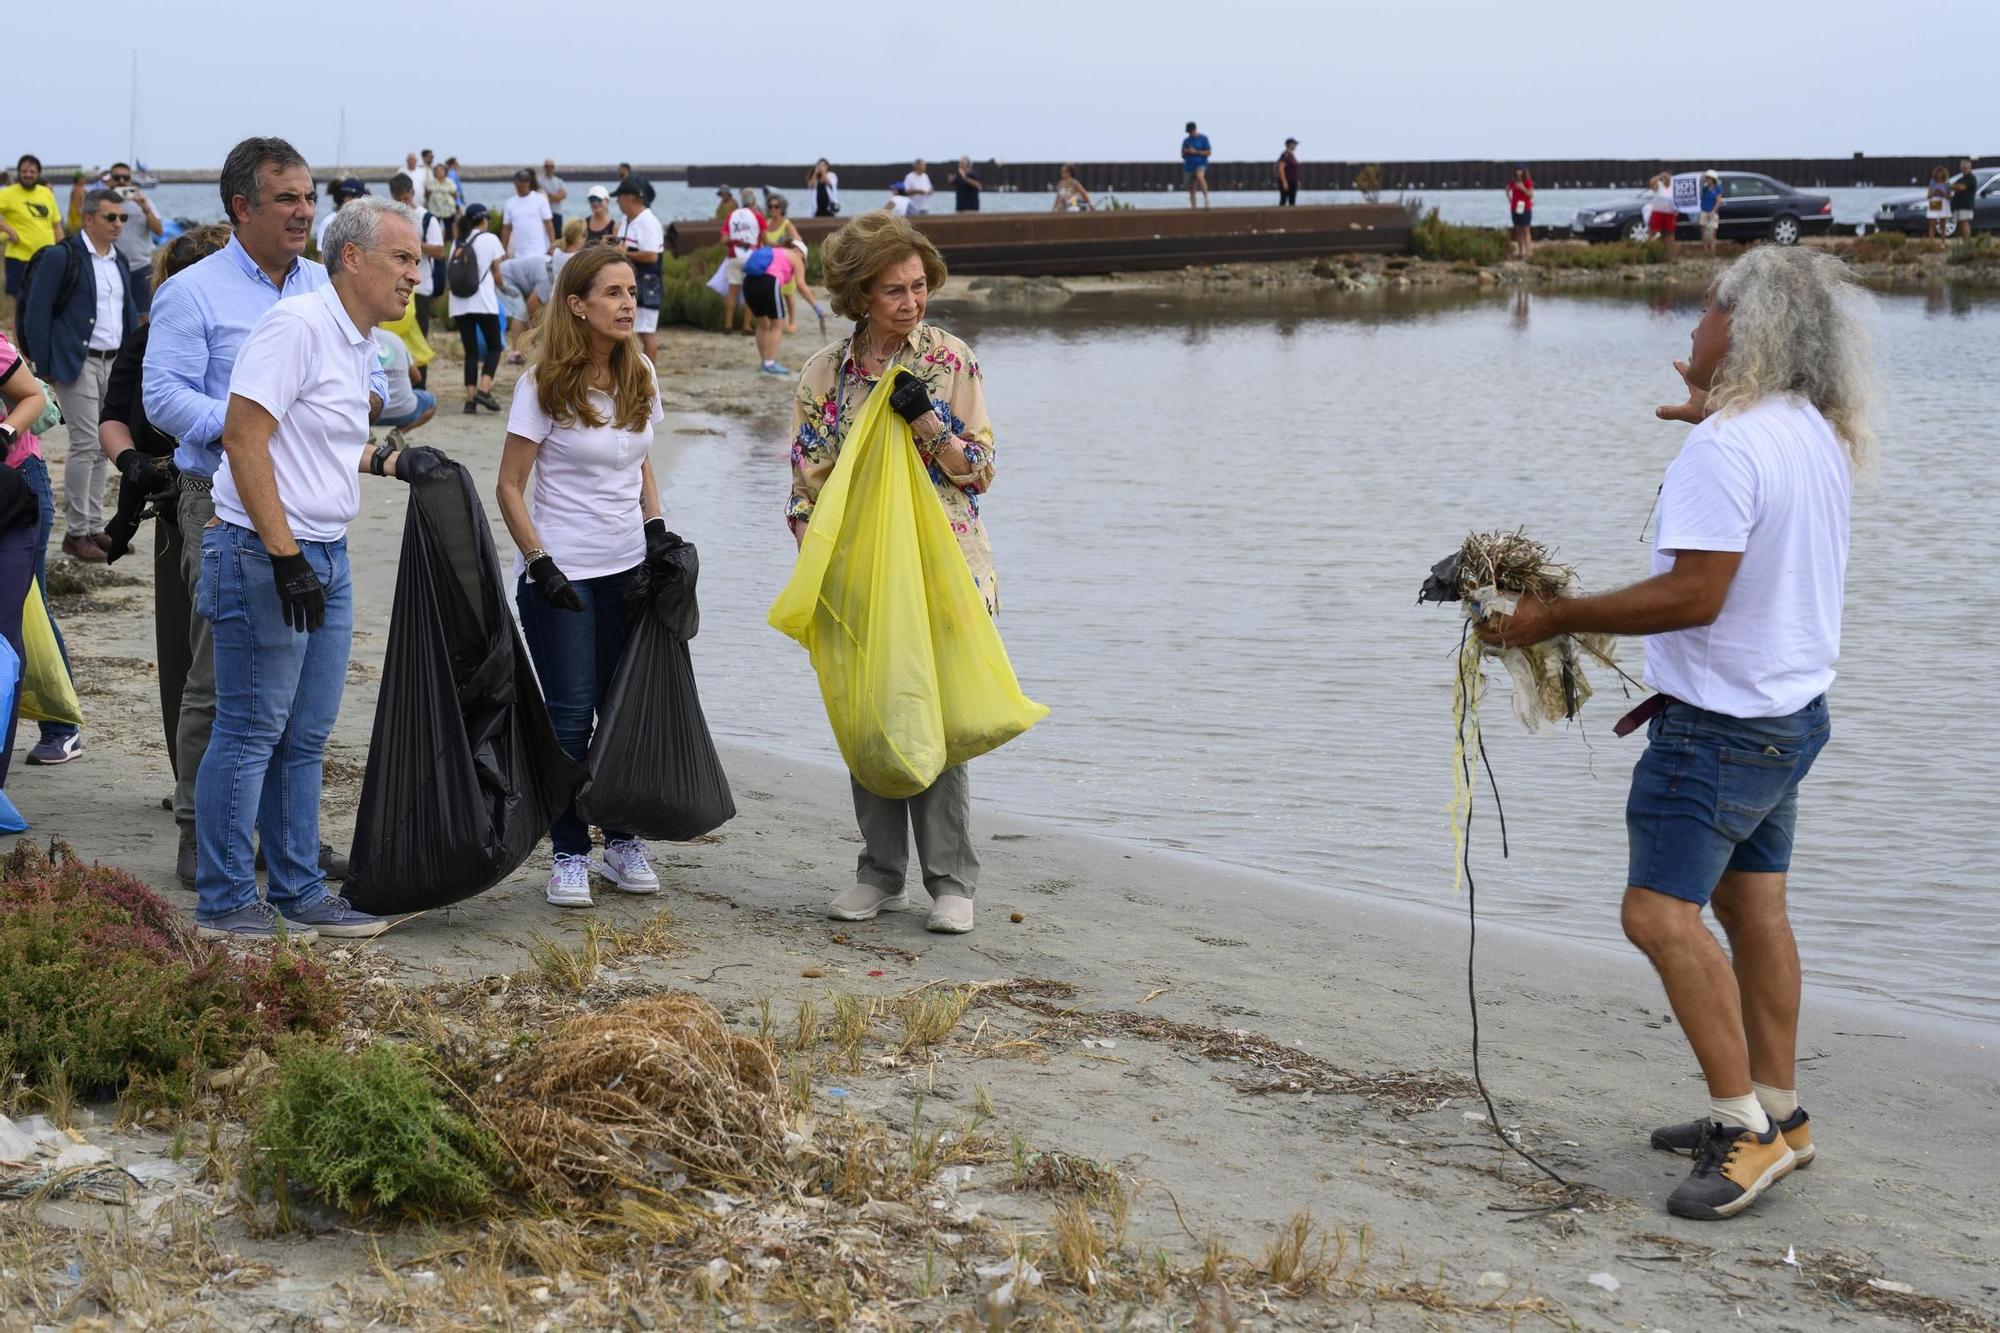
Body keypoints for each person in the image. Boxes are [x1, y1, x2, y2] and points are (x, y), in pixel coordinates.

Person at [1478, 246, 1873, 1222]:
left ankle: (1743, 1132)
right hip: (1789, 715)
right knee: (1750, 908)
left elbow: (1696, 595)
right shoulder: (1806, 427)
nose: (1687, 329)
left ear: (1746, 333)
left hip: (1717, 730)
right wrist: (1713, 418)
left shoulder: (1726, 448)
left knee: (1655, 915)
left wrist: (1548, 619)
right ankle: (1781, 1110)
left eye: (1703, 313)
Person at [196, 196, 448, 941]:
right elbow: (244, 441)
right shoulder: (298, 325)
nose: (415, 276)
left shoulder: (358, 341)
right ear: (352, 257)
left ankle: (300, 890)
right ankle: (224, 901)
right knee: (248, 730)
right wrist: (283, 557)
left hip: (325, 553)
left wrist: (395, 461)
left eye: (418, 260)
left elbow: (320, 444)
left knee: (305, 736)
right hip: (261, 550)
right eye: (403, 259)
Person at [146, 135, 384, 886]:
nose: (304, 212)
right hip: (220, 499)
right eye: (287, 198)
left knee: (303, 693)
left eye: (310, 198)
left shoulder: (328, 282)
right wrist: (253, 421)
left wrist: (350, 404)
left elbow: (376, 379)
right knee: (225, 680)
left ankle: (292, 844)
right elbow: (161, 398)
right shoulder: (193, 291)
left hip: (312, 506)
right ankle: (200, 832)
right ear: (241, 206)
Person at [786, 211, 998, 935]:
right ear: (858, 297)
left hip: (945, 566)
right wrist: (820, 561)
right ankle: (880, 874)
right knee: (870, 717)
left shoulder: (949, 360)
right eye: (893, 291)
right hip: (857, 574)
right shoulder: (823, 374)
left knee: (933, 720)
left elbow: (980, 472)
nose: (912, 302)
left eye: (918, 286)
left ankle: (950, 880)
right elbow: (804, 486)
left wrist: (928, 420)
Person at [496, 245, 668, 907]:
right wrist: (540, 564)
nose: (629, 303)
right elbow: (510, 486)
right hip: (562, 575)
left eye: (632, 291)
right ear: (577, 304)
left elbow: (641, 465)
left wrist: (657, 536)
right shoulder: (542, 384)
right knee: (569, 718)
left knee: (620, 711)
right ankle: (569, 851)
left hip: (628, 568)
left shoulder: (641, 371)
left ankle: (622, 841)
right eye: (613, 293)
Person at [97, 225, 232, 773]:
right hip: (178, 505)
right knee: (186, 652)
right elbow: (113, 420)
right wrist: (131, 462)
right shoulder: (149, 337)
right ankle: (191, 776)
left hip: (251, 500)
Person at [20, 188, 141, 564]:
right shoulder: (64, 256)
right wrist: (44, 366)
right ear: (89, 219)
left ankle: (93, 527)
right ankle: (76, 533)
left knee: (105, 445)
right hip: (75, 362)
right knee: (86, 442)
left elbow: (128, 312)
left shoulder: (118, 260)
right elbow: (37, 311)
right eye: (111, 217)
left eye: (122, 218)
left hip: (113, 361)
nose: (119, 224)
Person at [0, 333, 63, 781]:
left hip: (19, 482)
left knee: (25, 610)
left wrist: (4, 433)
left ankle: (60, 724)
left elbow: (32, 397)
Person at [446, 204, 506, 413]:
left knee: (470, 351)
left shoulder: (458, 242)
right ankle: (484, 388)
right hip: (483, 302)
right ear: (484, 220)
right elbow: (497, 273)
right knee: (495, 347)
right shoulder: (490, 239)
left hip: (459, 303)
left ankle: (470, 401)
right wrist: (504, 288)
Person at [1, 155, 64, 318]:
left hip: (47, 258)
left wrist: (65, 250)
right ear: (19, 172)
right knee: (20, 306)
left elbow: (56, 225)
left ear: (38, 173)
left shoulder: (46, 193)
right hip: (18, 259)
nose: (28, 174)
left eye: (32, 171)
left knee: (47, 303)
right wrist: (7, 229)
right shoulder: (8, 193)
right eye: (24, 171)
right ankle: (18, 343)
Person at [611, 181, 665, 362]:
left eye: (619, 197)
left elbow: (652, 256)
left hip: (648, 284)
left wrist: (624, 253)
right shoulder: (628, 220)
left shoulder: (648, 221)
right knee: (628, 329)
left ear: (630, 198)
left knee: (646, 332)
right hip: (631, 283)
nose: (617, 202)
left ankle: (650, 376)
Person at [389, 172, 447, 339]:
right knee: (399, 335)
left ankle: (420, 367)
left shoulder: (427, 218)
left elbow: (439, 251)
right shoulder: (393, 218)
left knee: (419, 336)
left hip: (421, 286)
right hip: (396, 285)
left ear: (412, 193)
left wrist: (411, 244)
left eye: (405, 199)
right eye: (398, 200)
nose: (402, 203)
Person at [760, 194, 825, 335]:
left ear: (782, 208)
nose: (773, 209)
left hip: (785, 263)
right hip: (769, 263)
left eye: (776, 206)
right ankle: (775, 323)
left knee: (789, 294)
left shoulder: (786, 223)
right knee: (772, 294)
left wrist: (790, 246)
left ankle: (792, 322)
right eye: (771, 206)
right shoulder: (766, 223)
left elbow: (797, 239)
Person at [106, 164, 164, 315]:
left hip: (142, 267)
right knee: (113, 314)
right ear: (110, 181)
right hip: (112, 266)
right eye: (117, 178)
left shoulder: (144, 202)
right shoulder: (104, 205)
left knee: (144, 315)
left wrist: (145, 207)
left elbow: (158, 231)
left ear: (131, 181)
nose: (121, 182)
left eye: (126, 178)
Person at [500, 168, 556, 325]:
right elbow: (506, 228)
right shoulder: (510, 203)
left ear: (529, 182)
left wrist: (552, 245)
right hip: (520, 255)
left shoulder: (539, 199)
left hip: (540, 254)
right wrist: (503, 250)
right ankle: (527, 329)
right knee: (523, 298)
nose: (523, 184)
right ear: (515, 183)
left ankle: (539, 327)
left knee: (539, 296)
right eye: (520, 181)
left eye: (526, 181)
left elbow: (548, 224)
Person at [371, 324, 435, 446]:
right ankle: (398, 433)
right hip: (403, 410)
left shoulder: (355, 339)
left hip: (369, 412)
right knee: (431, 401)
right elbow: (417, 377)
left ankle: (366, 433)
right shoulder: (395, 338)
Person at [742, 241, 796, 375]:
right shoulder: (794, 256)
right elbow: (801, 285)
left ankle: (764, 361)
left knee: (762, 324)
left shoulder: (771, 252)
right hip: (769, 282)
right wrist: (816, 306)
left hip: (748, 281)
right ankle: (770, 363)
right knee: (778, 324)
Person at [722, 189, 766, 336]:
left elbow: (724, 240)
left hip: (734, 256)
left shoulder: (731, 216)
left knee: (732, 293)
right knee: (749, 294)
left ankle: (727, 325)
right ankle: (746, 326)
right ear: (753, 202)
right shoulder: (758, 216)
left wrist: (736, 241)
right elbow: (764, 239)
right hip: (752, 258)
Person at [315, 178, 368, 256]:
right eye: (358, 197)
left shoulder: (364, 222)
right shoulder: (328, 222)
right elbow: (322, 257)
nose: (362, 201)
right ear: (345, 197)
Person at [550, 216, 588, 289]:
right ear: (579, 238)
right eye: (584, 234)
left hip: (555, 294)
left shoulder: (557, 251)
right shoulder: (577, 259)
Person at [1181, 121, 1212, 209]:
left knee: (1200, 177)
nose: (1189, 133)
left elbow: (1209, 152)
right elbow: (1182, 155)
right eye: (1188, 132)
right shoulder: (1186, 141)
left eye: (1191, 131)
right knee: (1191, 187)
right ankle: (1194, 206)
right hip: (1189, 165)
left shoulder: (1203, 138)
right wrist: (1186, 152)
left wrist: (1196, 151)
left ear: (1194, 130)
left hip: (1201, 163)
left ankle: (1206, 200)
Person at [1507, 164, 1535, 261]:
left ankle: (1528, 253)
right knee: (1518, 231)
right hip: (1515, 208)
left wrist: (1523, 188)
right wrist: (1509, 198)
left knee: (1526, 231)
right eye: (1517, 170)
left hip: (1525, 208)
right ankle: (1521, 253)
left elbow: (1530, 194)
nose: (1518, 172)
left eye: (1520, 170)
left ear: (1524, 171)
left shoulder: (1528, 181)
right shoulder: (1513, 181)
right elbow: (1507, 189)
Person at [1645, 172, 1678, 250]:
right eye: (1665, 177)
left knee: (1669, 233)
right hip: (1657, 212)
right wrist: (1660, 176)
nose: (1667, 178)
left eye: (1668, 177)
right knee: (1653, 231)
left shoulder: (1674, 187)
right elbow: (1651, 182)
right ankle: (1650, 250)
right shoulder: (1659, 185)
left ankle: (1669, 253)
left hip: (1670, 214)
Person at [1949, 158, 1976, 239]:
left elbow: (1962, 187)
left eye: (1965, 167)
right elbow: (1953, 187)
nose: (1963, 168)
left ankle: (1967, 243)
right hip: (1958, 206)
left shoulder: (1971, 178)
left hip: (1965, 205)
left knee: (1964, 223)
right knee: (1960, 224)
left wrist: (1951, 186)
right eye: (1962, 167)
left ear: (1969, 167)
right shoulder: (1961, 178)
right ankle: (1964, 242)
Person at [425, 162, 458, 227]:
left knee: (449, 229)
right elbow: (427, 195)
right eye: (437, 170)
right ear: (435, 172)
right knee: (434, 227)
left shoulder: (450, 182)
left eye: (441, 170)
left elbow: (455, 195)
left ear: (445, 172)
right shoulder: (431, 182)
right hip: (434, 209)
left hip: (448, 209)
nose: (439, 172)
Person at [1698, 170, 1722, 257]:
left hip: (1712, 214)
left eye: (1708, 178)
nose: (1707, 180)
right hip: (1704, 212)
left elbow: (1718, 201)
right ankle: (1705, 252)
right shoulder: (1705, 188)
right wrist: (1702, 176)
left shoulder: (1717, 189)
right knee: (1704, 234)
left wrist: (1712, 211)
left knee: (1712, 235)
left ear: (1712, 179)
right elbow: (1699, 185)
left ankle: (1713, 253)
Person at [542, 159, 568, 232]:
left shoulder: (558, 181)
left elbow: (563, 195)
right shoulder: (539, 181)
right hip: (544, 214)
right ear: (544, 167)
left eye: (551, 166)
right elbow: (542, 198)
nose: (549, 168)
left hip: (557, 212)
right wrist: (557, 196)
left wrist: (550, 195)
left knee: (558, 235)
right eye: (547, 166)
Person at [1925, 165, 1950, 239]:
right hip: (1934, 201)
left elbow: (1949, 197)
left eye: (1940, 173)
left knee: (1943, 226)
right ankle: (1931, 243)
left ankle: (1942, 243)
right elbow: (1928, 196)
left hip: (1944, 202)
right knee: (1932, 225)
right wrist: (1934, 193)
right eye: (1937, 173)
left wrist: (1942, 193)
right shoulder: (1932, 182)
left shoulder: (1947, 184)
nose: (1939, 174)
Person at [1277, 138, 1301, 207]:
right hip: (1287, 182)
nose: (1295, 146)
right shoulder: (1285, 155)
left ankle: (1292, 217)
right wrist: (1284, 182)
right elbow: (1281, 169)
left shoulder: (1292, 155)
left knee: (1292, 201)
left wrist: (1297, 180)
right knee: (1283, 201)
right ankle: (1280, 216)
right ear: (1289, 145)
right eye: (1294, 144)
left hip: (1293, 182)